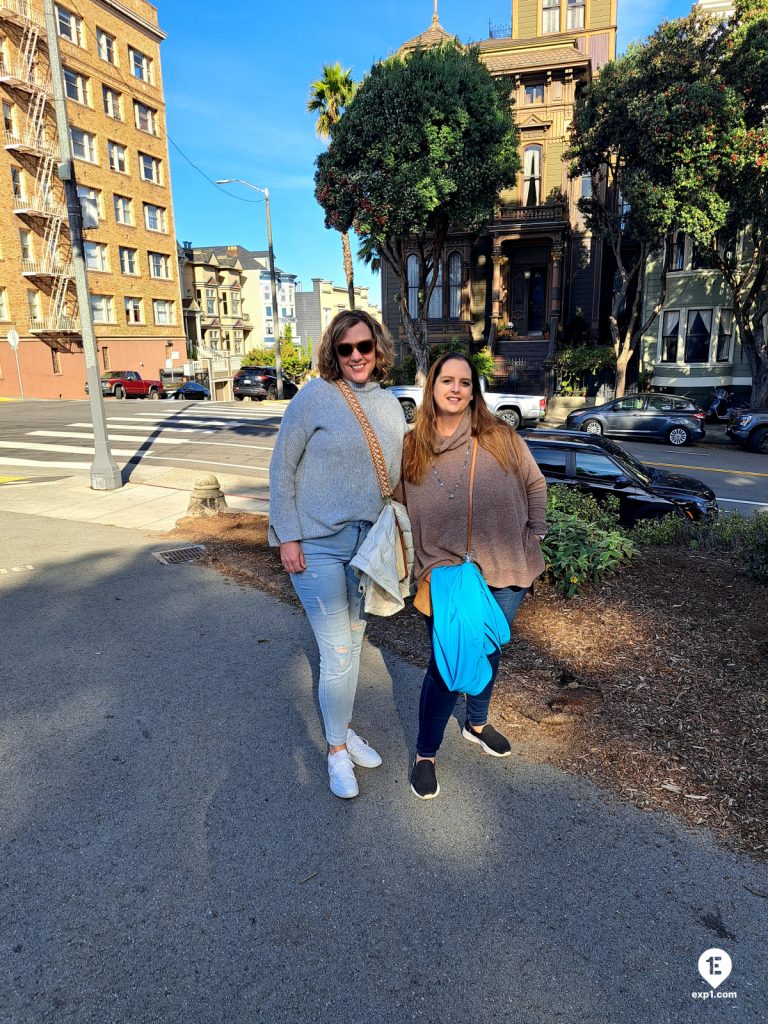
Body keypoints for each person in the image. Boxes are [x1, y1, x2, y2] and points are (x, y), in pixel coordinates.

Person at [269, 310, 406, 799]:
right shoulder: (313, 398)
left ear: (377, 349)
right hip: (317, 546)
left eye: (363, 347)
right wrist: (286, 535)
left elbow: (403, 474)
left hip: (367, 550)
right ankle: (335, 753)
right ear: (333, 351)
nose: (355, 357)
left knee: (350, 646)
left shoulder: (391, 405)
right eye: (345, 349)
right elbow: (282, 469)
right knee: (341, 651)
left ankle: (341, 728)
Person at [400, 352, 547, 799]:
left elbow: (535, 484)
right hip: (444, 574)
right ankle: (426, 753)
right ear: (433, 387)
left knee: (489, 648)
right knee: (447, 666)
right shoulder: (411, 447)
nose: (456, 388)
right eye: (447, 380)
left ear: (473, 390)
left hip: (507, 565)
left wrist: (535, 533)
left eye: (465, 382)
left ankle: (477, 723)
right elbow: (392, 503)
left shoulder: (500, 437)